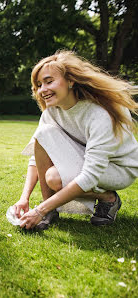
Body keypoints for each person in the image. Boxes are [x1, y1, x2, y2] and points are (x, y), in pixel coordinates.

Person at [13, 50, 138, 231]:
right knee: (43, 135)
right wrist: (24, 198)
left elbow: (90, 175)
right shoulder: (52, 112)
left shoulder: (99, 114)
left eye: (49, 82)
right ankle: (51, 209)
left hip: (119, 169)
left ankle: (108, 198)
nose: (42, 90)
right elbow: (37, 156)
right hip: (86, 158)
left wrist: (38, 211)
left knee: (55, 178)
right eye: (39, 85)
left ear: (71, 81)